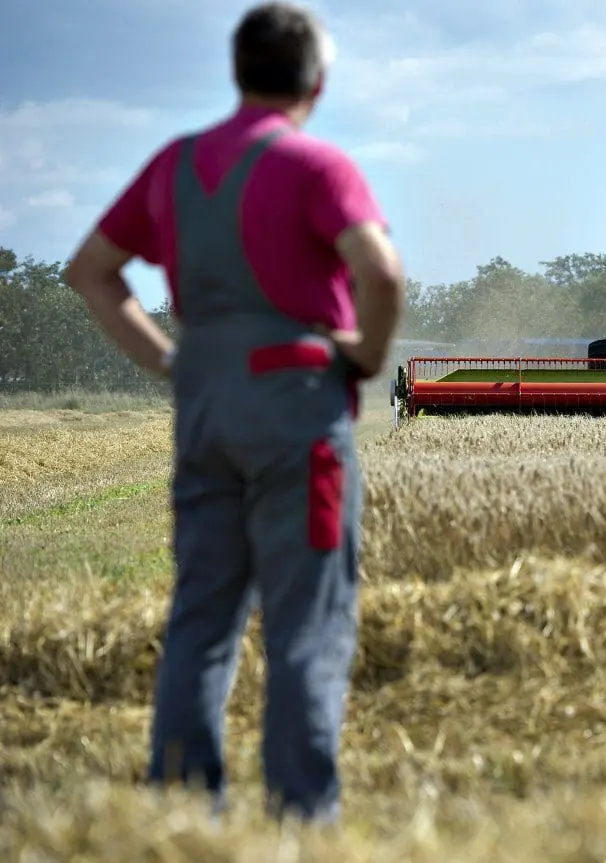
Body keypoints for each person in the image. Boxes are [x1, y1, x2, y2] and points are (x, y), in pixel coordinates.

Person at [64, 2, 405, 823]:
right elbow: (381, 273)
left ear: (236, 73)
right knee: (305, 623)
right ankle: (300, 818)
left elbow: (91, 272)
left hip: (205, 405)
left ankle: (183, 816)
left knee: (203, 615)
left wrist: (172, 362)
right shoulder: (318, 166)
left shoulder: (174, 165)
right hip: (297, 403)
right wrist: (364, 353)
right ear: (316, 82)